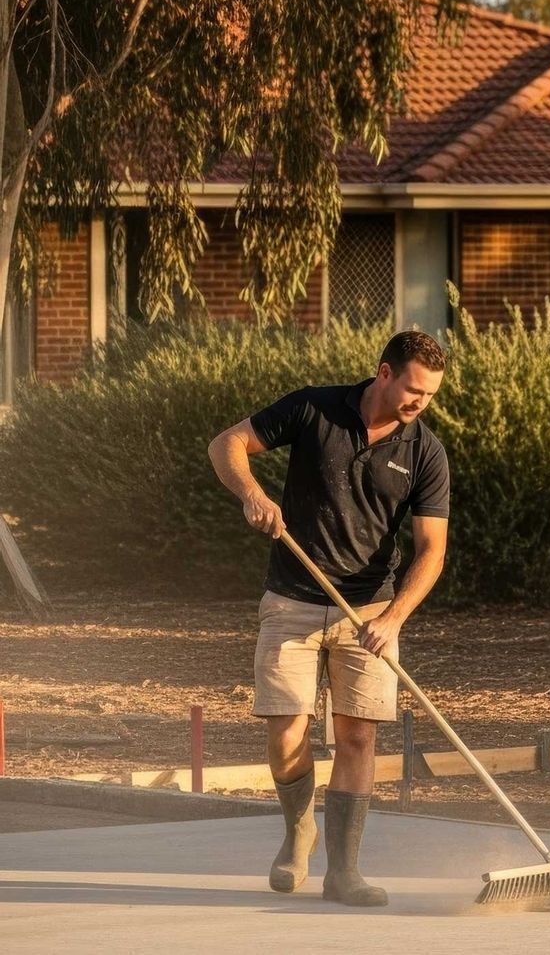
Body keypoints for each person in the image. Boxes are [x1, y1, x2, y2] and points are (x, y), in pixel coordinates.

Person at [207, 331, 451, 907]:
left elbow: (432, 552)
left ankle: (344, 871)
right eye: (413, 390)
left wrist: (393, 618)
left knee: (358, 735)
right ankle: (298, 829)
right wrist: (252, 494)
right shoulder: (314, 408)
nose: (420, 403)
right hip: (292, 597)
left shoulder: (425, 452)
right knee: (286, 729)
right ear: (384, 372)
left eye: (431, 395)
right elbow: (227, 445)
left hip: (369, 609)